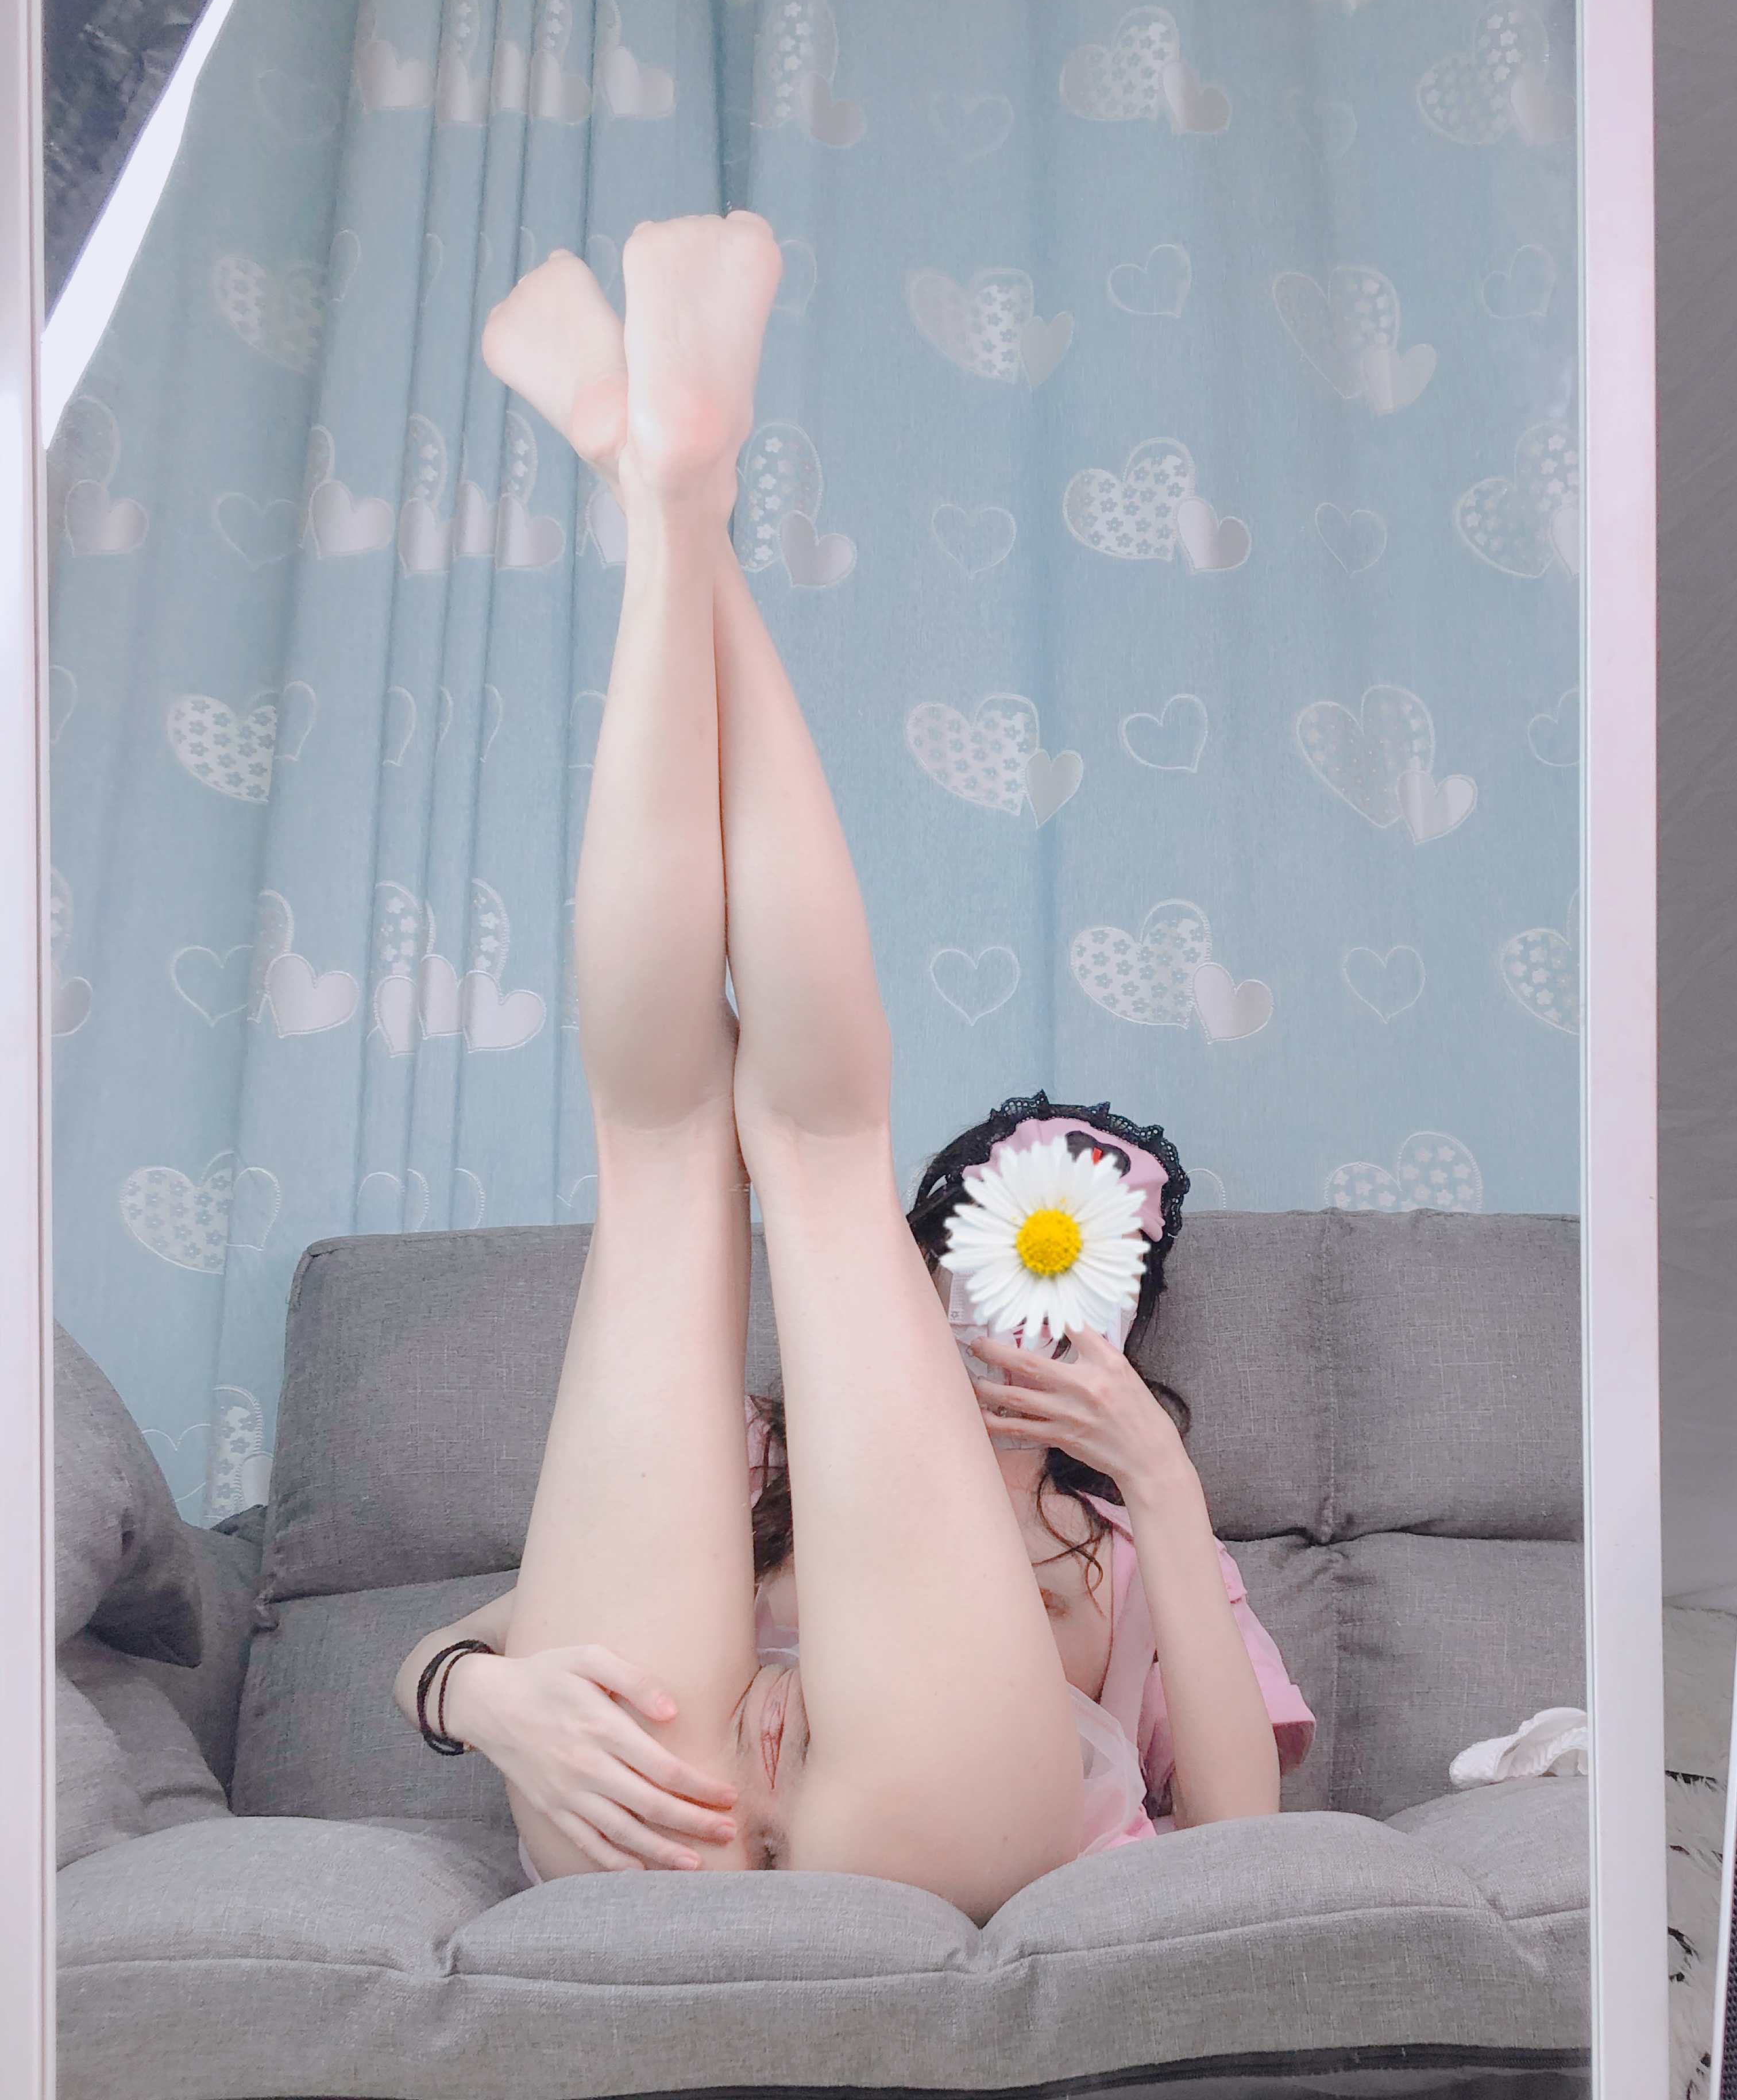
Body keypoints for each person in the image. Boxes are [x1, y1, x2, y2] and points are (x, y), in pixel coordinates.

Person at [392, 217, 1310, 1922]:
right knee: (727, 1155)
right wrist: (482, 1699)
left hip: (888, 1828)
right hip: (659, 1807)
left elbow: (1251, 1852)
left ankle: (667, 497)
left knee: (681, 1152)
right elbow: (468, 1637)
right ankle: (674, 491)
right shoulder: (757, 1461)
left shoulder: (1125, 1542)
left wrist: (1164, 1490)